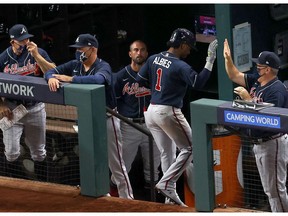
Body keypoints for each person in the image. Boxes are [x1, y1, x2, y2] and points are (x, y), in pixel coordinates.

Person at [44, 33, 134, 199]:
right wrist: (50, 78)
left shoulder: (102, 66)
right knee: (90, 159)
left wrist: (71, 79)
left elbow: (100, 79)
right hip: (85, 120)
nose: (78, 52)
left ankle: (129, 201)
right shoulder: (75, 64)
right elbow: (51, 71)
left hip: (107, 119)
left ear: (93, 49)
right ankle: (101, 194)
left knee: (116, 164)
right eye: (77, 49)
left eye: (81, 49)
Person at [136, 28, 218, 206]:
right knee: (191, 148)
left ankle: (169, 197)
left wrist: (160, 88)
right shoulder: (180, 65)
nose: (189, 51)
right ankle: (167, 183)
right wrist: (210, 60)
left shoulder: (153, 58)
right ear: (181, 45)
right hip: (168, 111)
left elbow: (140, 79)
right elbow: (198, 82)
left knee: (168, 153)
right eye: (188, 47)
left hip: (151, 111)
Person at [223, 38, 288, 212]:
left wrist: (247, 98)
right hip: (259, 143)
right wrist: (228, 59)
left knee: (276, 191)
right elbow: (234, 75)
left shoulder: (277, 90)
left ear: (268, 70)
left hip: (273, 143)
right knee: (270, 190)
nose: (256, 68)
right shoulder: (257, 81)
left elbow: (270, 119)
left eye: (259, 66)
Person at [0, 24, 56, 180]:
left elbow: (54, 71)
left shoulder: (38, 52)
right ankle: (14, 189)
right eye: (21, 41)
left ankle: (43, 188)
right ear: (12, 42)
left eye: (27, 39)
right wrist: (1, 104)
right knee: (11, 153)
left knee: (39, 152)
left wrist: (37, 55)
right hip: (12, 109)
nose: (25, 43)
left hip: (35, 108)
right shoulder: (3, 58)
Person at [112, 40, 161, 199]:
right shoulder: (120, 76)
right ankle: (111, 199)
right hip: (129, 125)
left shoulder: (154, 75)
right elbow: (115, 102)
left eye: (142, 50)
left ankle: (152, 202)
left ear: (147, 53)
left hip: (151, 124)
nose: (139, 53)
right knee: (123, 165)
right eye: (136, 50)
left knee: (153, 168)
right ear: (130, 53)